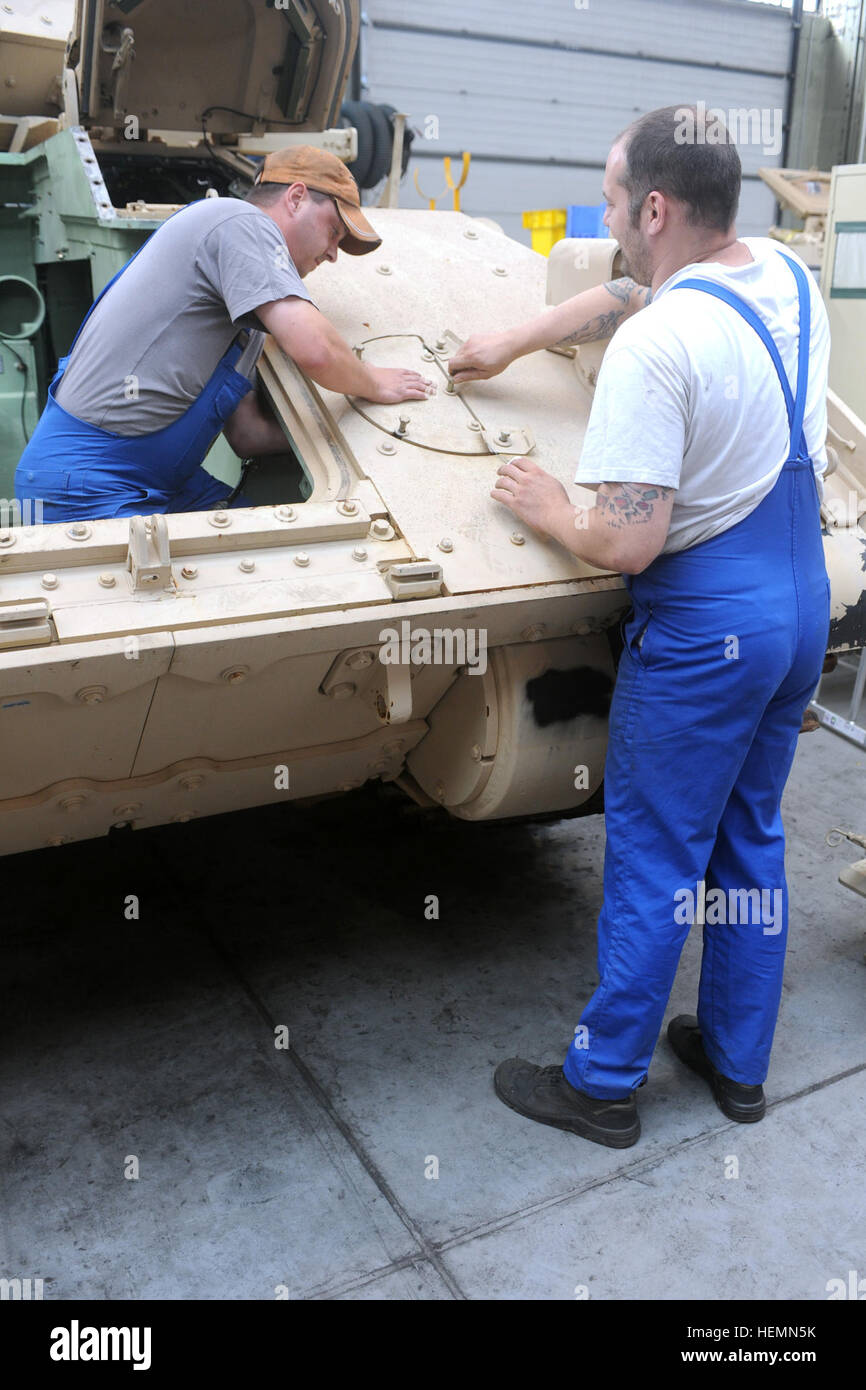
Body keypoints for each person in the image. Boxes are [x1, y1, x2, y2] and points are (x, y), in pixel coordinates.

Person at [454, 104, 831, 1149]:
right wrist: (524, 333)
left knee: (655, 852)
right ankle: (734, 1061)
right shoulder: (783, 279)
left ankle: (603, 1081)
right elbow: (636, 283)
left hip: (709, 622)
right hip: (797, 605)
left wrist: (546, 508)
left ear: (654, 207)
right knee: (747, 837)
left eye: (614, 197)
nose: (607, 213)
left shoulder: (657, 345)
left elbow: (625, 542)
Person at [15, 146, 433, 521]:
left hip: (159, 482)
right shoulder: (238, 222)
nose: (332, 254)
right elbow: (317, 351)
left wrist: (348, 430)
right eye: (333, 231)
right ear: (297, 197)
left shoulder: (248, 323)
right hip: (82, 486)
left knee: (275, 547)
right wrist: (374, 382)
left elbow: (247, 436)